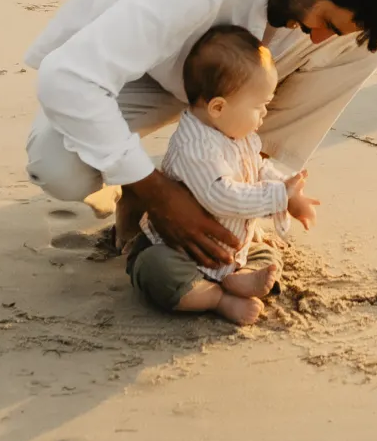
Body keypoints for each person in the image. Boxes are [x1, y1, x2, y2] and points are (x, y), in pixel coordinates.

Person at [24, 0, 377, 266]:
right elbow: (69, 77)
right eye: (326, 21)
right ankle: (145, 190)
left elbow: (344, 30)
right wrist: (155, 191)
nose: (319, 39)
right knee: (59, 170)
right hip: (141, 72)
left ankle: (240, 185)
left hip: (231, 76)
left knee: (366, 43)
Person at [125, 27, 312, 325]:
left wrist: (286, 188)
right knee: (155, 269)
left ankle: (244, 276)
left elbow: (258, 169)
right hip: (179, 251)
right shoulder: (195, 147)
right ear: (218, 107)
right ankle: (219, 298)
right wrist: (278, 197)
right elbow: (221, 195)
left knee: (267, 255)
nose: (264, 114)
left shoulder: (239, 135)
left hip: (229, 250)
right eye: (258, 106)